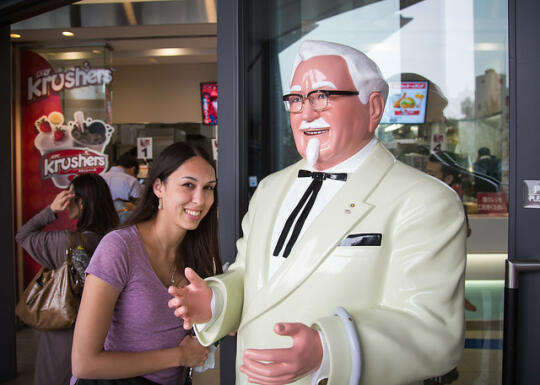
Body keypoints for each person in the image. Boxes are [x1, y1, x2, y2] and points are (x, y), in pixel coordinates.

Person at [168, 40, 467, 385]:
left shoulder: (424, 200)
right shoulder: (270, 189)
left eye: (323, 96)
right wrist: (216, 301)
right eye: (296, 100)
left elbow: (432, 332)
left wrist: (329, 348)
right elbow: (253, 277)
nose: (306, 113)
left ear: (373, 108)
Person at [71, 142, 222, 385]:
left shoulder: (198, 254)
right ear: (158, 187)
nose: (200, 200)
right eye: (188, 185)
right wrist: (179, 356)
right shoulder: (119, 248)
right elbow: (84, 363)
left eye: (209, 188)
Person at [15, 173, 119, 385]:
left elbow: (23, 235)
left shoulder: (64, 243)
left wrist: (52, 210)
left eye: (69, 195)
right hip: (107, 329)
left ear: (80, 202)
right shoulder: (117, 239)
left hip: (64, 328)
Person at [101, 153, 143, 222]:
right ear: (133, 169)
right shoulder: (132, 180)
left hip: (102, 222)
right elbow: (139, 206)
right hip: (123, 224)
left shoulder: (100, 177)